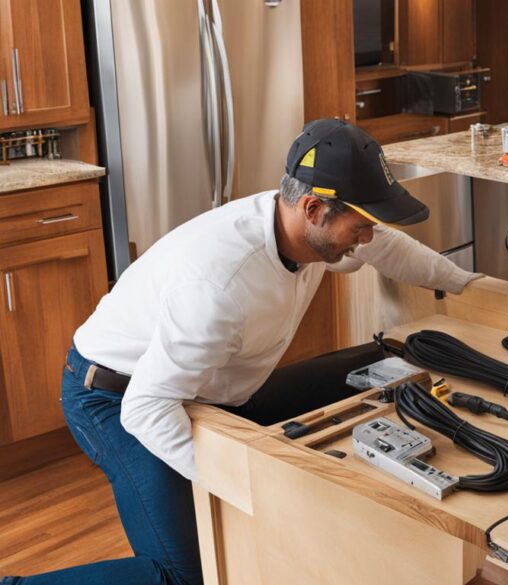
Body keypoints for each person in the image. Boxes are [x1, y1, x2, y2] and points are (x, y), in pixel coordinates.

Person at [1, 119, 481, 585]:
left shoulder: (303, 231)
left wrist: (466, 285)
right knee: (186, 575)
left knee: (379, 365)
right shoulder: (219, 288)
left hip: (205, 389)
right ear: (313, 210)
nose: (368, 237)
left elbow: (388, 248)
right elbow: (146, 409)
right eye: (361, 226)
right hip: (113, 396)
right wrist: (243, 488)